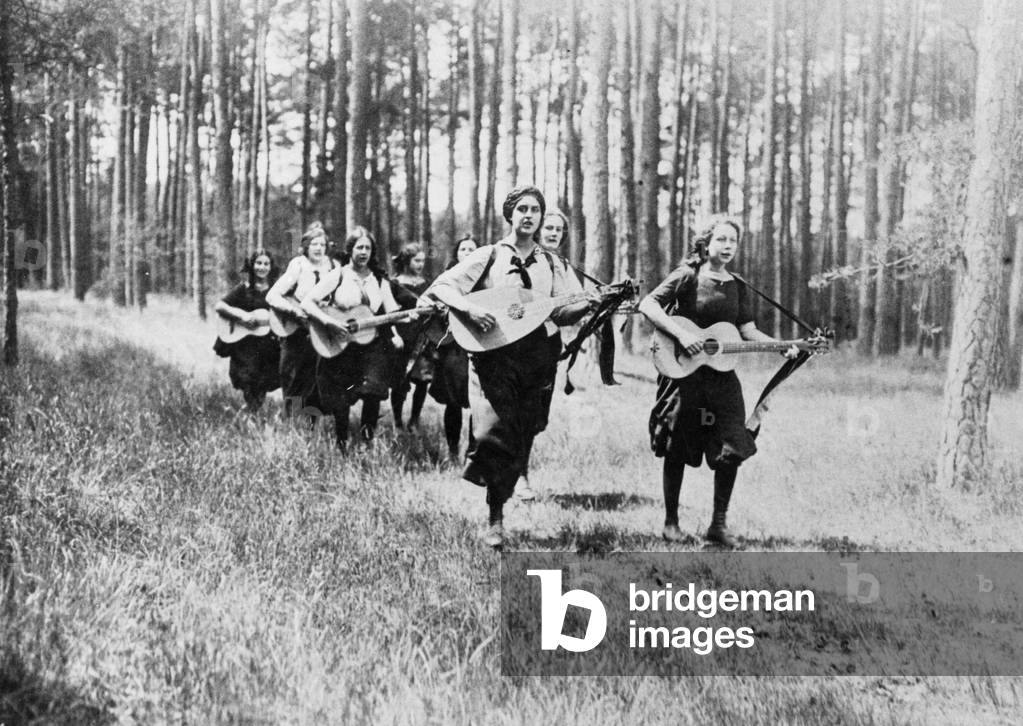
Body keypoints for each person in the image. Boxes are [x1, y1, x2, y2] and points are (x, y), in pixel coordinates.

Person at [428, 186, 596, 548]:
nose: (529, 216)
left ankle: (500, 512)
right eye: (522, 208)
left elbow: (561, 311)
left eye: (535, 210)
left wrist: (590, 305)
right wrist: (469, 309)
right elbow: (442, 287)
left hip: (537, 358)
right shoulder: (489, 256)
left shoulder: (553, 263)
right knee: (492, 436)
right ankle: (495, 521)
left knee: (521, 435)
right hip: (493, 358)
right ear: (510, 214)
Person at [638, 216, 798, 548]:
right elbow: (648, 303)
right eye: (721, 240)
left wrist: (781, 347)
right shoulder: (688, 276)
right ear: (706, 243)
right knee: (677, 445)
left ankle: (718, 525)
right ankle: (670, 523)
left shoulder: (738, 285)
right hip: (683, 372)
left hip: (722, 375)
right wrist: (681, 332)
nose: (727, 247)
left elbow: (748, 331)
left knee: (733, 442)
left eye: (733, 242)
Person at [301, 227, 406, 450]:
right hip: (342, 343)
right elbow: (308, 302)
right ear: (350, 249)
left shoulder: (379, 279)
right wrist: (329, 321)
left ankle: (367, 442)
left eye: (368, 248)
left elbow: (391, 313)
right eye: (359, 247)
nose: (363, 252)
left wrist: (405, 323)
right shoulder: (338, 275)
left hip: (373, 344)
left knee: (373, 390)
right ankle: (342, 443)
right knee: (341, 395)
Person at [514, 208, 584, 501]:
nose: (554, 233)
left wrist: (591, 303)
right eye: (549, 228)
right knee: (513, 412)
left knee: (533, 415)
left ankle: (521, 473)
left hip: (546, 345)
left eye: (559, 230)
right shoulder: (524, 258)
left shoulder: (562, 265)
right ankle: (514, 476)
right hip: (516, 344)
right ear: (539, 230)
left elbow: (577, 300)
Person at [266, 222, 338, 418]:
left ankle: (311, 421)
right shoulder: (298, 265)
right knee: (291, 374)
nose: (319, 248)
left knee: (317, 376)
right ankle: (289, 419)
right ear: (306, 247)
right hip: (296, 329)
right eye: (314, 244)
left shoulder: (333, 267)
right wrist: (294, 311)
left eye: (322, 245)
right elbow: (272, 296)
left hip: (320, 329)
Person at [427, 234, 481, 461]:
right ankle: (451, 449)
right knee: (453, 400)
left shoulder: (485, 278)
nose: (468, 253)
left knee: (477, 401)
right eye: (464, 250)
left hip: (479, 345)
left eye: (472, 250)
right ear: (456, 254)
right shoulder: (447, 279)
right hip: (453, 347)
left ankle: (473, 451)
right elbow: (428, 300)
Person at [214, 250, 281, 411]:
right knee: (248, 378)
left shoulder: (276, 290)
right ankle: (253, 411)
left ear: (271, 267)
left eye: (266, 264)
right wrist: (242, 316)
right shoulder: (243, 289)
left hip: (267, 345)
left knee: (264, 378)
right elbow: (220, 306)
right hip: (246, 346)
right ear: (252, 265)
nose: (262, 267)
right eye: (259, 263)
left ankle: (255, 411)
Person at [389, 243, 433, 430]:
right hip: (402, 337)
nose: (420, 264)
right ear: (407, 261)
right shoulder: (394, 283)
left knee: (423, 379)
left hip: (422, 337)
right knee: (400, 381)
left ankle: (414, 419)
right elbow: (388, 311)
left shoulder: (427, 283)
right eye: (416, 260)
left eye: (423, 260)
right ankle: (397, 420)